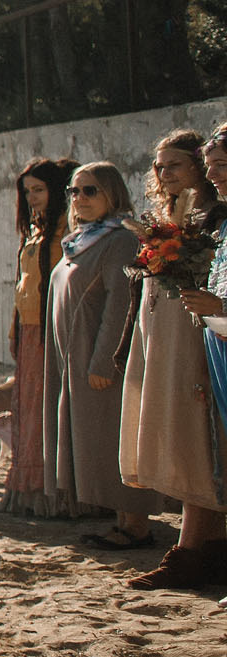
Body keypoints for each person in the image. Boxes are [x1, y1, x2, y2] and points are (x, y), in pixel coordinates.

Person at [118, 130, 227, 590]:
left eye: (174, 166)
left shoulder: (213, 220)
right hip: (164, 339)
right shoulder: (164, 218)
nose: (164, 175)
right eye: (158, 167)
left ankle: (192, 551)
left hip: (201, 341)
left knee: (199, 444)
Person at [46, 161, 144, 530]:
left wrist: (104, 360)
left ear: (112, 193)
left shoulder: (120, 238)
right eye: (74, 191)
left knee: (112, 436)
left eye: (90, 190)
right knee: (94, 439)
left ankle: (135, 526)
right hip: (73, 357)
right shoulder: (82, 238)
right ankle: (119, 521)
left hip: (99, 359)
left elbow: (120, 304)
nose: (80, 198)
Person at [165, 126, 227, 582]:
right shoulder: (222, 224)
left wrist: (221, 307)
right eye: (211, 168)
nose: (214, 177)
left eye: (221, 166)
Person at [4, 158, 77, 516]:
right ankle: (32, 490)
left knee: (51, 412)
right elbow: (23, 286)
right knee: (31, 412)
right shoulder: (35, 230)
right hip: (30, 331)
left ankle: (60, 495)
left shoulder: (67, 230)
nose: (32, 197)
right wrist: (14, 329)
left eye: (39, 189)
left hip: (53, 332)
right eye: (28, 190)